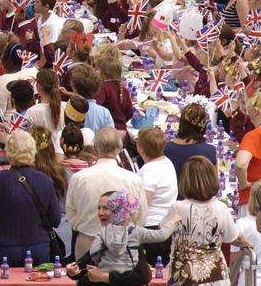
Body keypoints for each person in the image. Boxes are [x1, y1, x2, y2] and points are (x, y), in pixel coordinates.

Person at [168, 156, 247, 286]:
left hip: (185, 275)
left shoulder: (178, 208)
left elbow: (163, 230)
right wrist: (246, 243)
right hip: (215, 275)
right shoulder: (220, 207)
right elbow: (232, 237)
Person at [0, 130, 62, 286]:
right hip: (38, 247)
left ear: (8, 152)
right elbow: (56, 219)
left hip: (5, 248)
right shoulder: (44, 180)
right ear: (33, 152)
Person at [66, 127, 146, 259]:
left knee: (87, 277)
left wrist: (86, 226)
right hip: (121, 244)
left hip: (89, 240)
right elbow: (140, 215)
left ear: (95, 148)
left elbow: (71, 212)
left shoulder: (79, 178)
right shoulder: (133, 179)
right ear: (119, 148)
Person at [136, 127, 178, 266]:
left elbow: (143, 204)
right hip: (166, 224)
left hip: (151, 228)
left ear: (141, 149)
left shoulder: (149, 171)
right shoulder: (167, 162)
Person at [164, 103, 217, 193]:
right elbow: (214, 183)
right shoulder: (209, 151)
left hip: (172, 199)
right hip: (198, 200)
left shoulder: (166, 148)